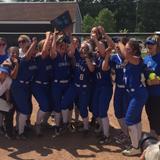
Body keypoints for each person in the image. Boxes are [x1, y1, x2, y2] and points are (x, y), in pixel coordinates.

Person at [118, 39, 148, 156]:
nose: (126, 50)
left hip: (138, 94)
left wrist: (120, 43)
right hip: (134, 94)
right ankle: (138, 143)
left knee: (129, 120)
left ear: (134, 50)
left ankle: (135, 147)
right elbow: (123, 56)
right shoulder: (128, 60)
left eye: (128, 48)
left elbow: (125, 54)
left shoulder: (136, 59)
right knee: (136, 120)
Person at [60, 40, 95, 136]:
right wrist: (70, 39)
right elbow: (72, 49)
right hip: (74, 86)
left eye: (85, 48)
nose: (82, 50)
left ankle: (86, 127)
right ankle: (65, 123)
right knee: (64, 103)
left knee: (83, 108)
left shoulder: (91, 58)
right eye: (82, 48)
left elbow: (92, 69)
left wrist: (87, 56)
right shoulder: (77, 56)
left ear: (89, 50)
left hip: (84, 88)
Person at [91, 26, 114, 144]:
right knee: (95, 109)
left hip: (105, 87)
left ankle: (106, 135)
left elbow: (109, 47)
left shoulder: (106, 57)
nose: (97, 48)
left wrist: (102, 35)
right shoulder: (96, 56)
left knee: (102, 111)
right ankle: (101, 128)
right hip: (97, 87)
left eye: (100, 47)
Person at [11, 37, 37, 139]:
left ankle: (19, 128)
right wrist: (34, 43)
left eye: (24, 42)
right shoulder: (20, 58)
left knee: (21, 110)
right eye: (20, 43)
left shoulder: (34, 59)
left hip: (26, 86)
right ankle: (20, 133)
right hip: (18, 86)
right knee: (24, 110)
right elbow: (26, 56)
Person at [50, 30, 72, 136]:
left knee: (66, 104)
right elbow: (53, 49)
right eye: (60, 44)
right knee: (57, 106)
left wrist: (68, 36)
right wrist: (54, 37)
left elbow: (71, 47)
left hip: (66, 84)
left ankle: (65, 123)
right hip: (57, 84)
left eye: (64, 44)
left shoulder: (67, 56)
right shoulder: (55, 55)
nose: (62, 46)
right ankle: (58, 126)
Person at [31, 32, 53, 136]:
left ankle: (44, 123)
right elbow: (44, 51)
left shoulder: (50, 56)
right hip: (37, 85)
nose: (49, 47)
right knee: (44, 105)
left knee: (49, 106)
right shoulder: (40, 56)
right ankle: (37, 125)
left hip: (46, 85)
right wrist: (48, 36)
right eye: (47, 45)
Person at [110, 37, 129, 143]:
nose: (117, 48)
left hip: (128, 90)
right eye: (116, 46)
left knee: (127, 113)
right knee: (118, 112)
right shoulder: (114, 58)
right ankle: (124, 131)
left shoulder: (131, 58)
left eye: (119, 46)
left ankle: (127, 135)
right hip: (118, 88)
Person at [143, 35, 160, 140]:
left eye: (152, 44)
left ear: (157, 45)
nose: (149, 46)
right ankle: (153, 137)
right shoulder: (146, 59)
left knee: (157, 118)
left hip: (157, 94)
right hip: (147, 94)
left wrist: (152, 82)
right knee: (150, 116)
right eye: (148, 43)